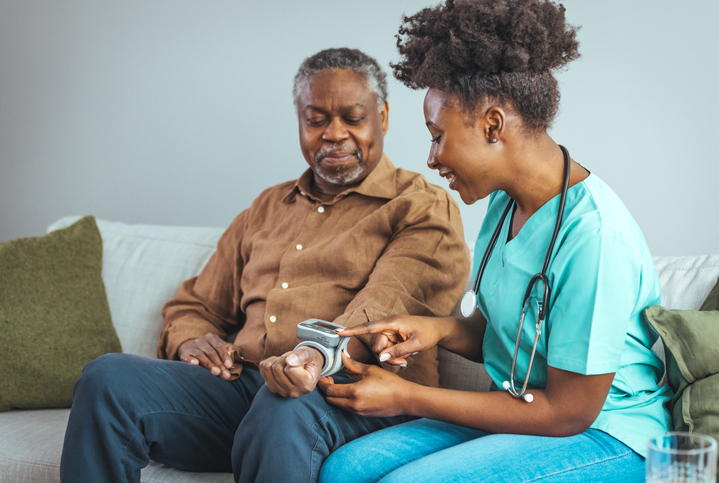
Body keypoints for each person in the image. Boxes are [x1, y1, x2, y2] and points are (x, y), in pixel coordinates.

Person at [59, 47, 470, 483]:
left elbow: (383, 308)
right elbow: (194, 304)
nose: (334, 134)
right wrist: (191, 341)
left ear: (382, 117)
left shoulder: (420, 205)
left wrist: (310, 358)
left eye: (352, 118)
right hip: (246, 392)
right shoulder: (267, 207)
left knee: (281, 404)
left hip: (356, 395)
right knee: (108, 379)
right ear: (300, 122)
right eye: (316, 120)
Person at [317, 2, 673, 482]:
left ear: (493, 125)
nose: (431, 158)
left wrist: (406, 396)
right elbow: (506, 335)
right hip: (523, 408)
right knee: (345, 469)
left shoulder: (595, 237)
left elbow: (569, 412)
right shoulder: (504, 205)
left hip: (606, 435)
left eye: (437, 136)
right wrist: (434, 330)